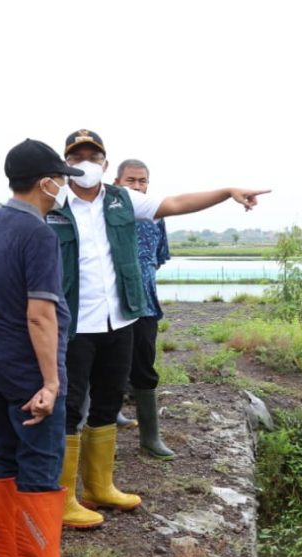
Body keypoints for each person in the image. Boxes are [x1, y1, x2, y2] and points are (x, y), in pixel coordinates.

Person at [49, 129, 270, 528]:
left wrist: (227, 191)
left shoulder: (121, 200)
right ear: (66, 163)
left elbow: (176, 202)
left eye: (92, 156)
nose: (85, 163)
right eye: (76, 156)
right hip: (74, 325)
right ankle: (63, 500)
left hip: (120, 318)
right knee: (68, 408)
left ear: (103, 163)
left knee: (108, 401)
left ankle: (100, 486)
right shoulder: (53, 201)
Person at [0, 139, 83, 557]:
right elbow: (40, 315)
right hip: (30, 374)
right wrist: (51, 382)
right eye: (60, 181)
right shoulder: (38, 233)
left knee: (3, 455)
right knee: (39, 465)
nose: (62, 189)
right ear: (45, 182)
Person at [114, 158, 175, 459]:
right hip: (112, 301)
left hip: (146, 304)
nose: (137, 186)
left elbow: (158, 257)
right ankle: (107, 416)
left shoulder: (156, 216)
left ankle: (150, 437)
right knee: (106, 364)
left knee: (143, 364)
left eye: (142, 181)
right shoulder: (108, 214)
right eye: (131, 181)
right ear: (117, 183)